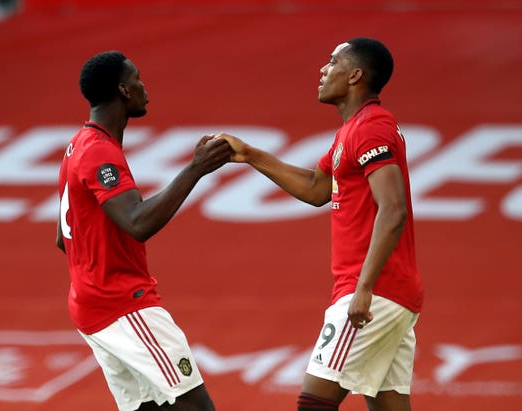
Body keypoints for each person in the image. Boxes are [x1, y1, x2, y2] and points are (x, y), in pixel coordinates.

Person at [219, 37, 423, 411]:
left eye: (333, 62)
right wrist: (250, 155)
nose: (323, 69)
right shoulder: (352, 131)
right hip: (388, 293)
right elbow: (316, 187)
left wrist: (364, 289)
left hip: (373, 291)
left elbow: (393, 210)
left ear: (355, 75)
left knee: (314, 404)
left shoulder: (371, 128)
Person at [56, 50, 232, 411]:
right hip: (122, 304)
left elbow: (63, 238)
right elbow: (138, 223)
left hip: (90, 306)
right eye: (137, 78)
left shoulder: (77, 146)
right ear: (123, 90)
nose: (143, 86)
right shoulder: (99, 152)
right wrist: (194, 170)